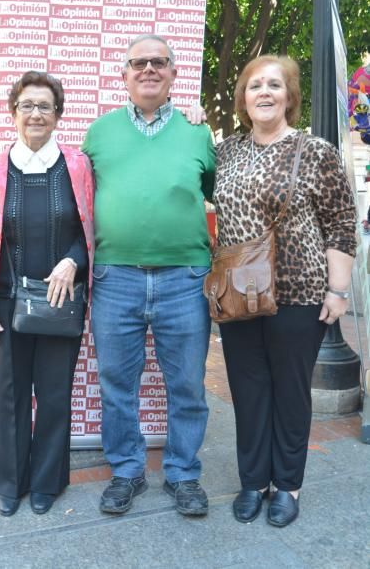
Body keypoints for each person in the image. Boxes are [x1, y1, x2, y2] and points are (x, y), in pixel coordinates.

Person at [213, 55, 356, 527]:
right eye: (255, 86)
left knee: (290, 392)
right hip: (238, 293)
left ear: (290, 96)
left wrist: (337, 291)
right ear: (244, 99)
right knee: (248, 390)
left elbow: (340, 222)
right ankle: (253, 481)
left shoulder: (314, 151)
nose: (265, 92)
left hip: (298, 292)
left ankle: (287, 484)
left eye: (275, 85)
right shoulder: (228, 151)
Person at [82, 34, 216, 517]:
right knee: (118, 383)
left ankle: (182, 473)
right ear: (124, 74)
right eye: (138, 63)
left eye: (159, 62)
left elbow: (215, 193)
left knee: (188, 385)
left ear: (174, 73)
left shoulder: (199, 133)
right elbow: (78, 200)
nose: (149, 70)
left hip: (186, 280)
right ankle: (127, 471)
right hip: (116, 279)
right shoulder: (98, 133)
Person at [0, 71, 94, 517]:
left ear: (58, 116)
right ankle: (10, 484)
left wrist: (74, 260)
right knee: (11, 395)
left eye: (45, 106)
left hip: (60, 300)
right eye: (27, 105)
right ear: (13, 112)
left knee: (54, 395)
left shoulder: (77, 166)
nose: (36, 114)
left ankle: (46, 483)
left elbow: (92, 229)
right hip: (3, 302)